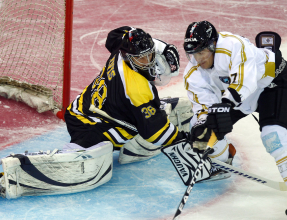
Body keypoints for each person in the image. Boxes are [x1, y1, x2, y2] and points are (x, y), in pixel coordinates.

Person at [0, 26, 192, 199]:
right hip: (91, 126)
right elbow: (156, 133)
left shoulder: (121, 47)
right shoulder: (136, 87)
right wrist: (184, 139)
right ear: (127, 56)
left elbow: (113, 36)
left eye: (150, 55)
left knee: (144, 114)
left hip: (83, 107)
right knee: (87, 161)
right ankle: (12, 173)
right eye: (141, 58)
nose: (148, 62)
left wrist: (156, 46)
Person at [163, 21, 287, 219]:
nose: (198, 58)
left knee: (274, 137)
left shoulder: (233, 46)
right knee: (201, 128)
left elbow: (245, 81)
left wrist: (225, 107)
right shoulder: (193, 74)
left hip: (272, 83)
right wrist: (204, 124)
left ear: (213, 45)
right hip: (235, 96)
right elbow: (203, 108)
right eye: (193, 53)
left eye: (202, 52)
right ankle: (222, 161)